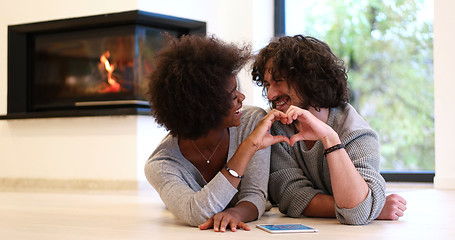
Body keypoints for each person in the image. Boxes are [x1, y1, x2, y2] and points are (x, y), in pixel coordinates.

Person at [251, 35, 407, 225]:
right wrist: (372, 207)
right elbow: (291, 197)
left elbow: (356, 214)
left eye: (278, 81)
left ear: (308, 80)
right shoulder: (275, 127)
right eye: (267, 84)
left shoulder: (354, 131)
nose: (271, 94)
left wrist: (329, 138)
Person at [144, 34, 289, 232]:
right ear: (203, 108)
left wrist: (235, 213)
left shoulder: (253, 122)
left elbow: (255, 194)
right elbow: (196, 213)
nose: (242, 97)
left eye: (238, 89)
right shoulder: (162, 165)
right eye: (232, 95)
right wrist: (247, 148)